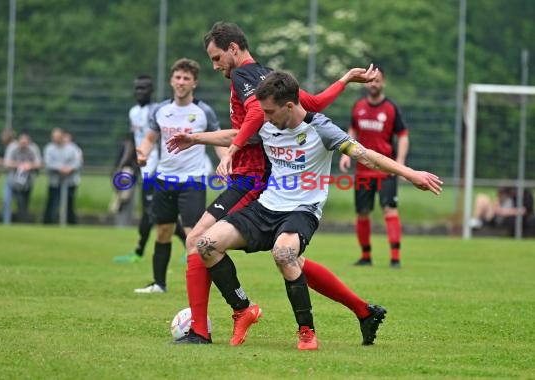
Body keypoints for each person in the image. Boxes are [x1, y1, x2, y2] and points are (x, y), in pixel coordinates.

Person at [166, 21, 381, 344]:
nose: (215, 66)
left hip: (253, 178)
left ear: (234, 49)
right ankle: (364, 310)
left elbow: (253, 116)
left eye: (216, 58)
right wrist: (345, 79)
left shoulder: (241, 76)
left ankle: (205, 327)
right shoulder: (267, 75)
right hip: (261, 178)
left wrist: (231, 151)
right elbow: (316, 103)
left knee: (198, 239)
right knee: (290, 258)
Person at [193, 71, 442, 349]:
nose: (264, 117)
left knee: (284, 254)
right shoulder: (266, 121)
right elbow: (236, 135)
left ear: (289, 106)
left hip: (302, 210)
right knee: (206, 244)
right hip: (266, 206)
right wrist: (194, 138)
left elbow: (366, 156)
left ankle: (307, 332)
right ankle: (243, 309)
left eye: (270, 111)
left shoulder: (321, 128)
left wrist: (410, 174)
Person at [134, 58, 225, 293]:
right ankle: (159, 284)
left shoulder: (203, 111)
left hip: (193, 180)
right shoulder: (161, 111)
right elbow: (150, 139)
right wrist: (142, 153)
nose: (181, 82)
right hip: (164, 179)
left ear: (194, 83)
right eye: (178, 77)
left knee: (192, 235)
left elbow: (219, 139)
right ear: (171, 80)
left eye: (186, 78)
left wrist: (225, 160)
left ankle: (196, 289)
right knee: (163, 231)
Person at [339, 66, 409, 268]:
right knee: (362, 212)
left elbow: (403, 135)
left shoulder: (391, 109)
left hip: (386, 170)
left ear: (383, 83)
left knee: (389, 209)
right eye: (371, 81)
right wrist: (346, 155)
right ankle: (365, 256)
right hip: (363, 170)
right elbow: (352, 130)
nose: (374, 84)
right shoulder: (358, 106)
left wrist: (401, 162)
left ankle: (395, 257)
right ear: (366, 83)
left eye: (377, 81)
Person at [113, 75, 187, 263]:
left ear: (151, 91)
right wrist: (124, 163)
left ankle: (139, 252)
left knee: (152, 212)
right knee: (155, 212)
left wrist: (165, 164)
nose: (140, 92)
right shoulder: (133, 112)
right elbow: (133, 139)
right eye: (137, 88)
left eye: (144, 88)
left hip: (157, 170)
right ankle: (188, 246)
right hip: (144, 168)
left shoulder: (156, 111)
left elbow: (162, 139)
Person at [43, 128, 81, 224]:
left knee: (69, 204)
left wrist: (70, 168)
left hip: (69, 181)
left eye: (57, 137)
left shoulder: (72, 149)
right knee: (52, 203)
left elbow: (78, 162)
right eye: (53, 137)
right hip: (54, 181)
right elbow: (48, 163)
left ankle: (71, 224)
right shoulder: (49, 148)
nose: (55, 139)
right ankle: (49, 223)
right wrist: (60, 168)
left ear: (62, 137)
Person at [4, 132, 42, 223]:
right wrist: (19, 165)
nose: (23, 145)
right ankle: (6, 223)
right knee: (6, 201)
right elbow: (6, 163)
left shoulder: (33, 149)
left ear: (29, 143)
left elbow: (38, 164)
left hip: (27, 181)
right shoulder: (12, 147)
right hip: (12, 179)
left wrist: (29, 165)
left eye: (25, 143)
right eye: (22, 143)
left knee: (23, 203)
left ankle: (22, 222)